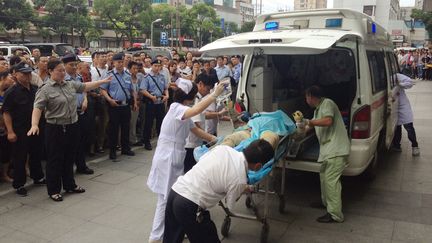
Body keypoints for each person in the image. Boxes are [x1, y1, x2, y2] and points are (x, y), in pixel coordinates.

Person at [147, 78, 229, 243]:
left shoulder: (182, 110)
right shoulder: (176, 108)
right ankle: (156, 237)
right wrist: (214, 95)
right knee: (165, 198)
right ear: (190, 96)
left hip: (173, 157)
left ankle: (167, 232)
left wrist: (217, 140)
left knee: (171, 197)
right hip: (167, 158)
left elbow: (196, 130)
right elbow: (197, 109)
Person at [28, 59, 112, 202]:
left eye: (63, 70)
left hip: (72, 125)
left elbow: (85, 86)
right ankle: (54, 190)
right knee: (55, 159)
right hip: (55, 128)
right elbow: (38, 108)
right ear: (50, 71)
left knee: (69, 157)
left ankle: (69, 185)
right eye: (59, 70)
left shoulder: (69, 84)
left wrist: (101, 82)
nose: (62, 73)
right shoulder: (45, 89)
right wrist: (34, 124)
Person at [163, 139, 274, 243]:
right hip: (190, 204)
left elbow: (203, 161)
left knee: (172, 238)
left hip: (176, 191)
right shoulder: (240, 180)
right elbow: (229, 204)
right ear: (258, 166)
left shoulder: (223, 149)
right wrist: (242, 188)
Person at [301, 85, 350, 223]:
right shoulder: (317, 110)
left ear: (310, 96)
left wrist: (308, 122)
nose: (306, 100)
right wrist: (301, 129)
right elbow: (313, 125)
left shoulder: (327, 103)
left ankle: (335, 214)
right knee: (323, 177)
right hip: (328, 150)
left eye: (306, 97)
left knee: (331, 181)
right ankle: (326, 203)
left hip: (336, 149)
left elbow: (328, 121)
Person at [2, 62, 46, 196]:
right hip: (20, 129)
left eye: (28, 73)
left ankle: (37, 177)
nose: (27, 76)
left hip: (36, 127)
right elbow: (6, 112)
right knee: (20, 157)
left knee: (36, 153)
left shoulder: (34, 88)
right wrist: (10, 131)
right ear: (15, 74)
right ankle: (19, 184)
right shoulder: (12, 92)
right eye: (24, 74)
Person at [101, 53, 138, 161]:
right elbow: (103, 90)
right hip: (114, 105)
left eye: (122, 62)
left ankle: (125, 148)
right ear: (113, 63)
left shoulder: (127, 75)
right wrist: (109, 100)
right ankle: (112, 151)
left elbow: (132, 90)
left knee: (126, 127)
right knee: (114, 129)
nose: (120, 64)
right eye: (118, 62)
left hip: (126, 105)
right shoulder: (109, 75)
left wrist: (135, 102)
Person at [63, 54, 94, 175]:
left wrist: (85, 99)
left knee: (81, 139)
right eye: (71, 65)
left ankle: (81, 165)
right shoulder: (63, 79)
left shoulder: (79, 77)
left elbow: (83, 90)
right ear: (64, 65)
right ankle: (68, 168)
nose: (74, 67)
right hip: (69, 114)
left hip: (81, 112)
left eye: (76, 64)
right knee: (71, 143)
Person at [140, 59, 169, 150]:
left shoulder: (162, 77)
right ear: (152, 66)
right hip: (151, 102)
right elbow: (143, 90)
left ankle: (161, 141)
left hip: (160, 102)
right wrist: (151, 97)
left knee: (161, 123)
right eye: (155, 66)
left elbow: (165, 88)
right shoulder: (147, 77)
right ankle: (147, 142)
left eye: (159, 66)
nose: (157, 68)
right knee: (148, 123)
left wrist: (167, 96)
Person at [392, 73, 420, 156]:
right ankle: (397, 146)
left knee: (409, 127)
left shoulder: (396, 76)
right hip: (394, 106)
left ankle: (415, 146)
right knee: (396, 128)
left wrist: (399, 84)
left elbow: (410, 83)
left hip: (403, 106)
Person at [91, 51, 109, 154]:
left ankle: (101, 144)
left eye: (105, 56)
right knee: (94, 123)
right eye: (102, 57)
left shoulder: (109, 70)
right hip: (94, 99)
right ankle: (92, 147)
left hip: (105, 99)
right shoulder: (92, 70)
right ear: (96, 59)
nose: (104, 58)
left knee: (104, 123)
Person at [0, 71, 14, 183]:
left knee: (6, 152)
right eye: (10, 78)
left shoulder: (7, 93)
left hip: (5, 129)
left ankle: (4, 174)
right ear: (3, 78)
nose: (12, 80)